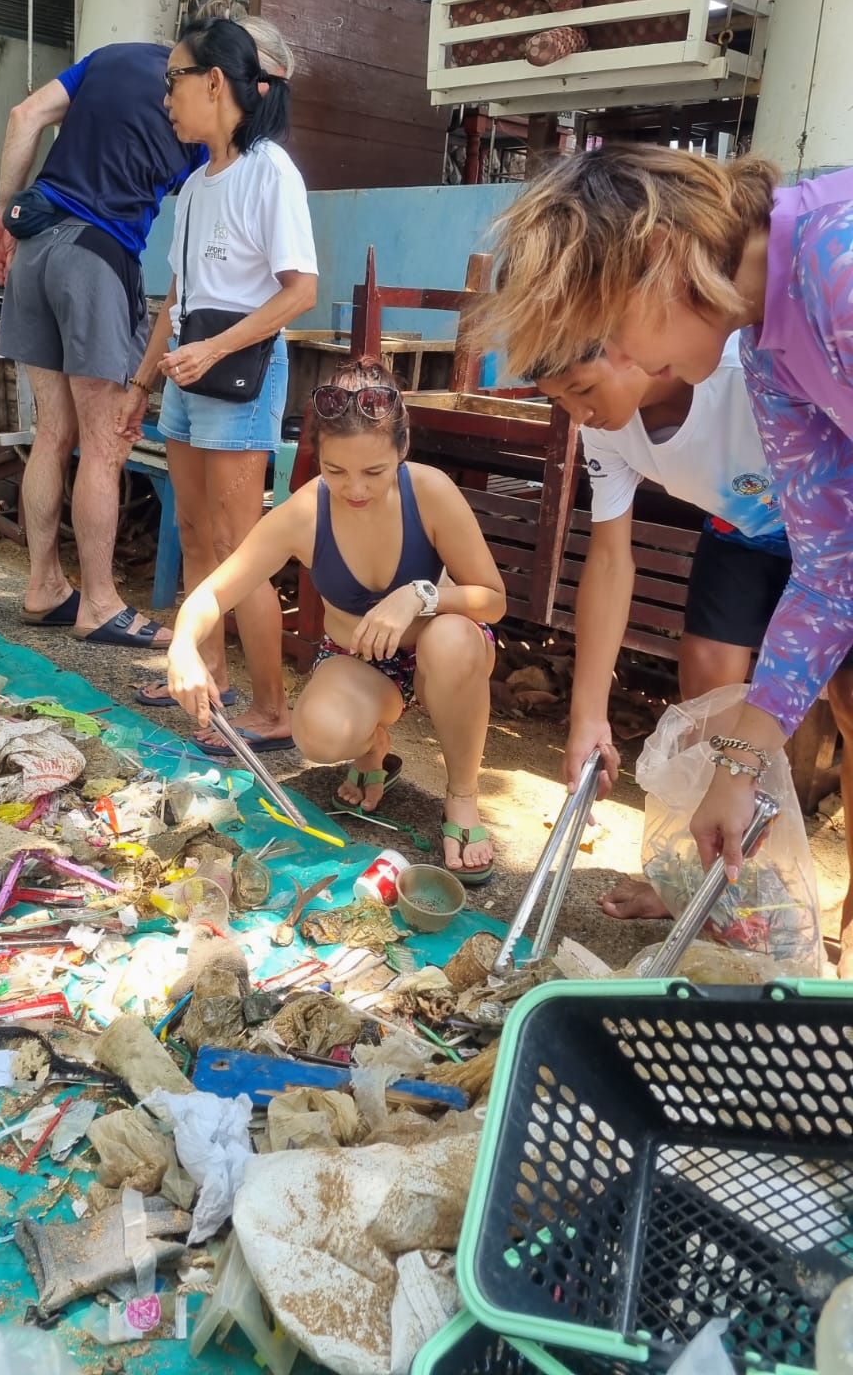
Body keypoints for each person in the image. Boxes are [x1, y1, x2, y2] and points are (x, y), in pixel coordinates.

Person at [481, 145, 853, 965]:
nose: (624, 364)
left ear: (657, 256)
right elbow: (831, 572)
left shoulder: (837, 260)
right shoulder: (768, 357)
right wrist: (737, 769)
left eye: (606, 331)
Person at [534, 337, 853, 923]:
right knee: (707, 690)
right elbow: (609, 560)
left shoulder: (742, 370)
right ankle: (695, 877)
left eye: (583, 391)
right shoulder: (604, 423)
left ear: (632, 344)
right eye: (561, 401)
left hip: (839, 529)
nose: (578, 415)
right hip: (745, 529)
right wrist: (588, 715)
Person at [164, 359, 507, 880]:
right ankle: (373, 748)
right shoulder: (306, 512)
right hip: (361, 663)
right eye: (335, 471)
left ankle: (462, 796)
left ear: (402, 449)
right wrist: (183, 647)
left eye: (374, 472)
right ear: (317, 456)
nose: (356, 490)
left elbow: (493, 601)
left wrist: (419, 595)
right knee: (318, 736)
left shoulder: (430, 491)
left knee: (452, 638)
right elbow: (216, 590)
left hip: (443, 653)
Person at [116, 16, 318, 751]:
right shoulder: (196, 186)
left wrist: (213, 350)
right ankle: (211, 675)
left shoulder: (271, 171)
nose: (165, 97)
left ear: (213, 83)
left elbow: (301, 291)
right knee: (196, 531)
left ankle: (272, 711)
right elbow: (177, 298)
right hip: (188, 374)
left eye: (173, 79)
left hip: (242, 375)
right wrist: (140, 385)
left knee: (241, 547)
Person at [0, 41, 201, 649]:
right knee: (105, 445)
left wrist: (1, 212)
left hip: (33, 247)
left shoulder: (110, 58)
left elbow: (24, 115)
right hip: (96, 256)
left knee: (53, 432)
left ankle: (44, 587)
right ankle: (99, 604)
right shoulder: (204, 101)